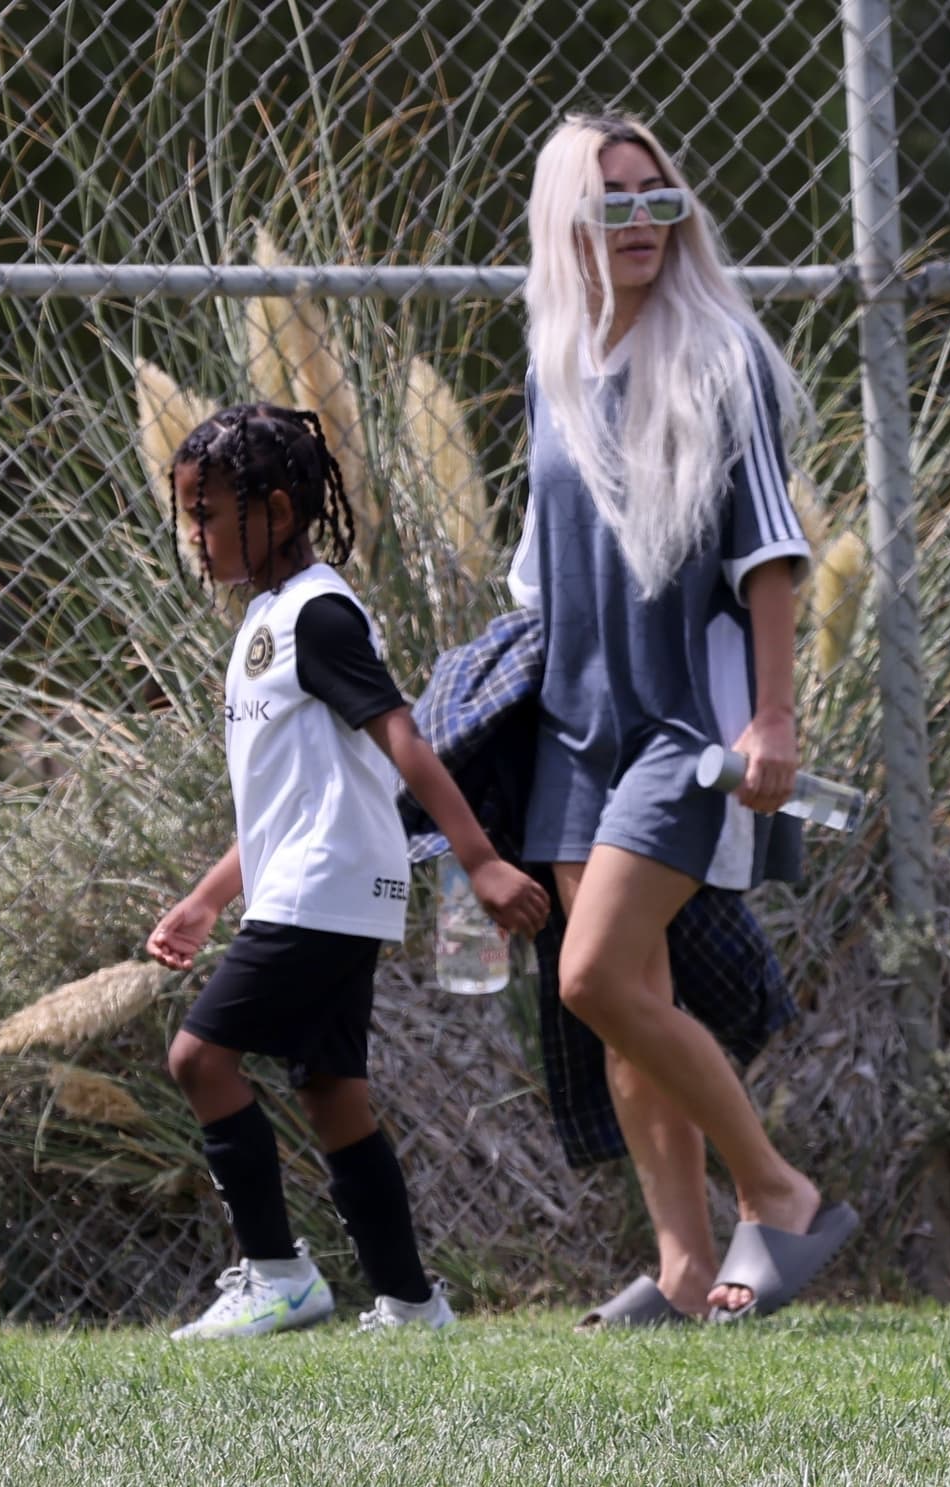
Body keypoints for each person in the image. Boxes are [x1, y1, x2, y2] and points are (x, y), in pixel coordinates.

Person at [507, 113, 858, 1324]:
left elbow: (771, 547)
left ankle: (778, 1188)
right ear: (565, 222)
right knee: (621, 1002)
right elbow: (536, 561)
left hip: (679, 727)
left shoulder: (718, 353)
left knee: (595, 973)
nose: (642, 221)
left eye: (656, 196)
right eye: (611, 202)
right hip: (565, 726)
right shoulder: (551, 356)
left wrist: (773, 715)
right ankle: (677, 1264)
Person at [147, 402, 549, 1340]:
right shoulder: (268, 618)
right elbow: (294, 798)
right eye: (188, 516)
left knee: (198, 1057)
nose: (194, 538)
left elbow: (401, 736)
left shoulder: (318, 615)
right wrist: (211, 898)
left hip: (324, 889)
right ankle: (412, 1302)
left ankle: (279, 1274)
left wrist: (479, 860)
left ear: (278, 512)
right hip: (320, 884)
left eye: (207, 516)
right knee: (332, 1091)